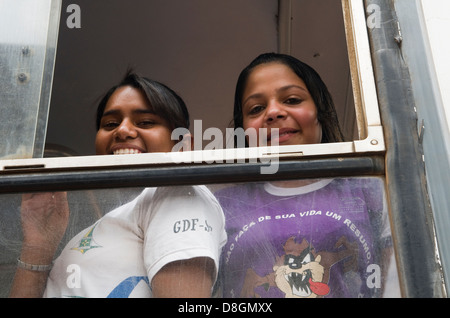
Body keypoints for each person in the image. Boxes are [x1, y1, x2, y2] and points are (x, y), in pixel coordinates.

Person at [9, 71, 227, 298]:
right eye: (110, 123)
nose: (122, 130)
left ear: (183, 147)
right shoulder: (113, 220)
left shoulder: (177, 193)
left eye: (145, 122)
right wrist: (39, 245)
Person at [214, 53, 400, 298]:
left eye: (291, 99)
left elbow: (397, 285)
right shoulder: (220, 205)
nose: (273, 112)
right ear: (244, 130)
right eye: (257, 108)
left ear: (320, 113)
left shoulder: (373, 189)